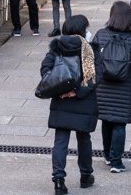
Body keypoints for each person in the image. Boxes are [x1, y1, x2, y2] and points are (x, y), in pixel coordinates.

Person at [42, 14, 102, 195]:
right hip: (84, 102)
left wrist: (61, 90)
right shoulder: (90, 51)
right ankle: (86, 176)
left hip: (61, 101)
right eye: (87, 28)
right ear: (83, 30)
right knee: (84, 139)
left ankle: (59, 181)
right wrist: (77, 91)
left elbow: (45, 69)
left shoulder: (56, 47)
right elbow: (96, 75)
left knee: (60, 140)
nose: (88, 31)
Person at [92, 1, 131, 174]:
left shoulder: (101, 35)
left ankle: (108, 155)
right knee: (119, 124)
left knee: (107, 120)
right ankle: (116, 162)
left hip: (103, 86)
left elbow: (92, 60)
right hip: (124, 88)